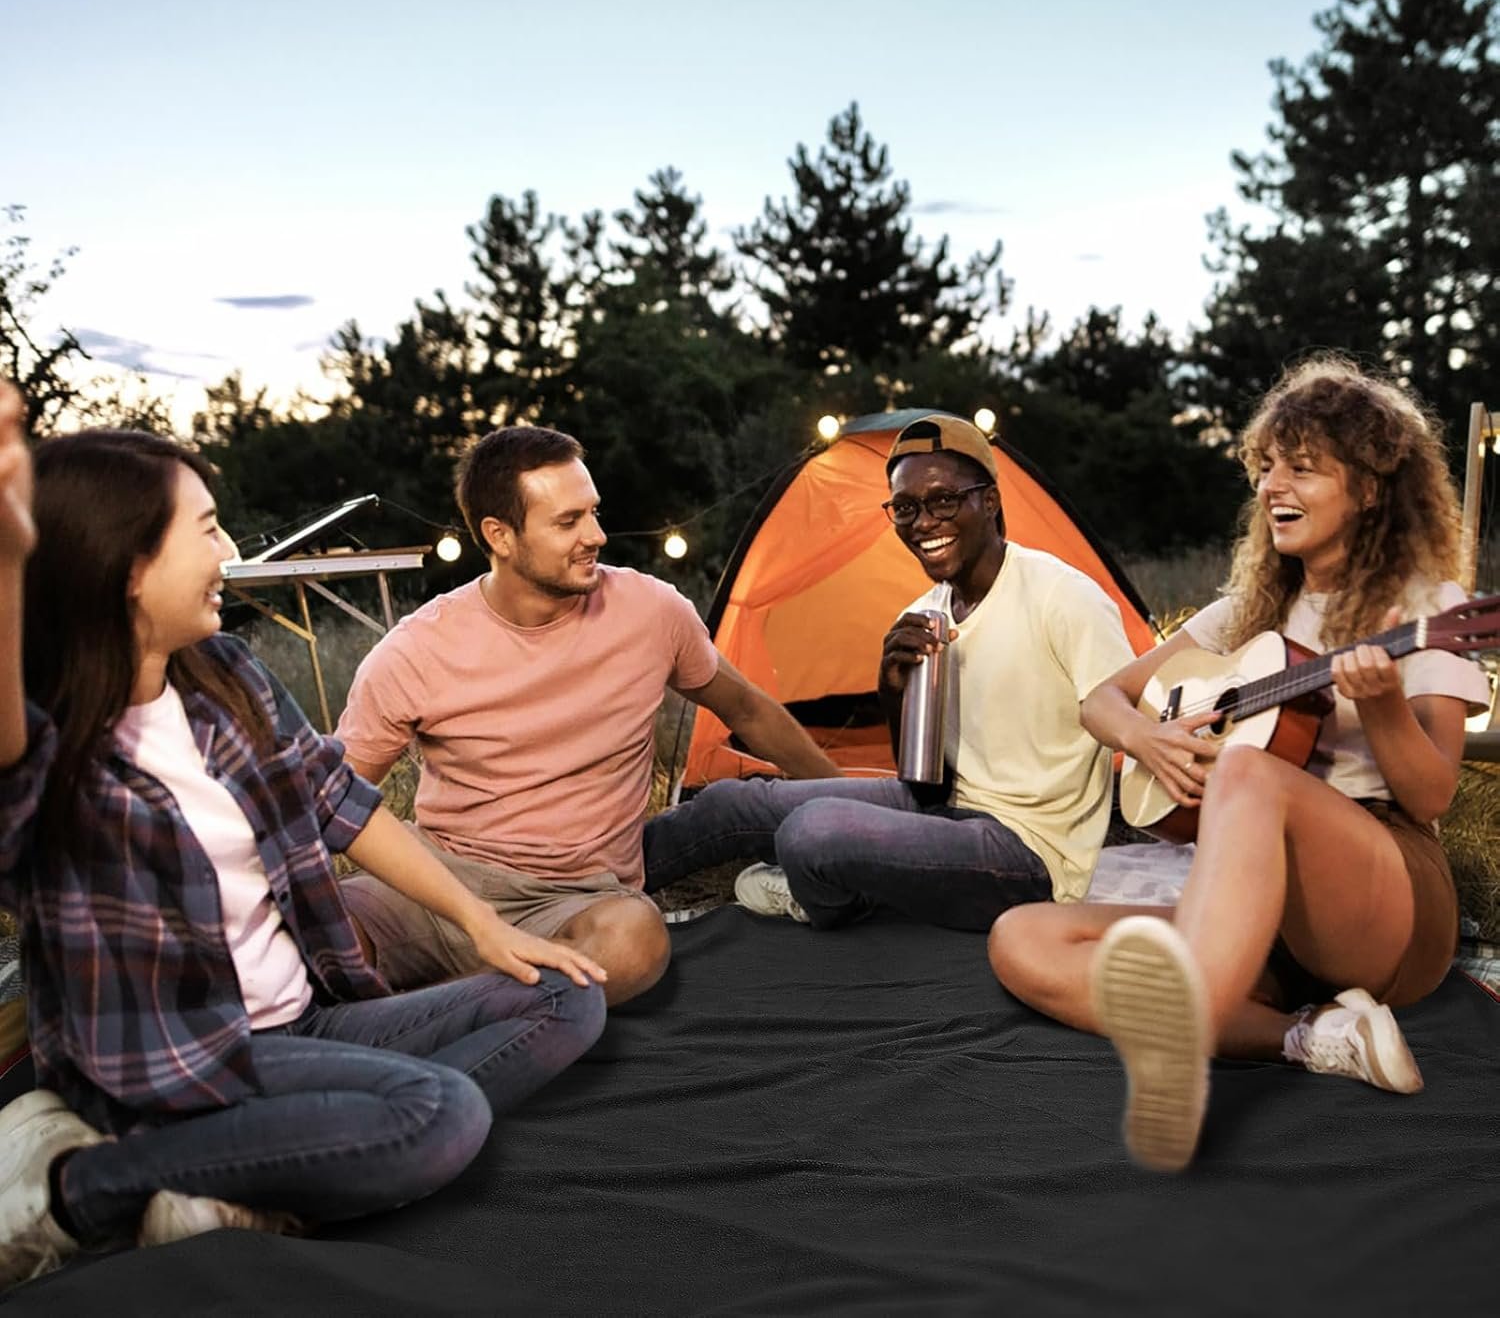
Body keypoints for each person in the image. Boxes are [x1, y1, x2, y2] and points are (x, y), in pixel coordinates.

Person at [0, 390, 607, 1292]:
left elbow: (341, 805)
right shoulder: (46, 741)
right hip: (175, 1064)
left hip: (309, 1015)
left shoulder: (225, 675)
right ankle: (73, 1187)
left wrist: (483, 925)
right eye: (206, 530)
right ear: (127, 565)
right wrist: (8, 550)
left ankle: (247, 1172)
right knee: (442, 1115)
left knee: (566, 993)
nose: (228, 552)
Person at [988, 357, 1491, 1173]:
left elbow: (1432, 792)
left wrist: (1384, 706)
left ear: (1369, 489)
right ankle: (1313, 1037)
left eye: (1303, 467)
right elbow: (1102, 701)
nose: (1271, 486)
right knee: (1022, 938)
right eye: (1266, 466)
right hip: (1261, 919)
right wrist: (1147, 740)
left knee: (1248, 774)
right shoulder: (1249, 612)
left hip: (1385, 902)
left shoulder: (1429, 609)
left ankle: (1184, 1043)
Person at [336, 425, 841, 1005]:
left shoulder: (651, 612)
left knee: (635, 944)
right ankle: (480, 1007)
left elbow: (748, 709)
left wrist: (847, 807)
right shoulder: (415, 652)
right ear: (500, 536)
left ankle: (408, 1015)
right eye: (567, 522)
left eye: (593, 513)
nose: (596, 536)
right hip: (439, 887)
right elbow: (333, 802)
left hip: (579, 900)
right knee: (308, 933)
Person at [643, 413, 1136, 931]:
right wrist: (892, 690)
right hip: (945, 806)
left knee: (812, 833)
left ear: (989, 501)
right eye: (905, 508)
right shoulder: (927, 613)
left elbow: (1129, 715)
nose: (923, 522)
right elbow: (923, 786)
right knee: (728, 805)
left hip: (1028, 851)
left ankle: (845, 897)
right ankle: (600, 883)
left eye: (944, 500)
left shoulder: (1064, 597)